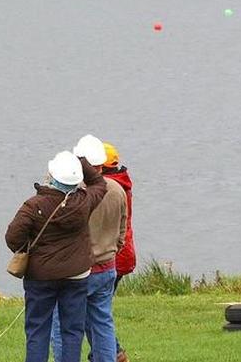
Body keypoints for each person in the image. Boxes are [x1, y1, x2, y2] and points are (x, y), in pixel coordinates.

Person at [5, 149, 107, 362]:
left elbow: (12, 237)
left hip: (41, 276)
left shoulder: (33, 205)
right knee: (72, 331)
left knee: (37, 330)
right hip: (77, 275)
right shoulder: (84, 201)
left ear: (51, 176)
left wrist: (30, 248)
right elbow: (99, 183)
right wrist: (80, 159)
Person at [50, 135, 128, 362]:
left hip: (80, 269)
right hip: (107, 267)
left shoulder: (76, 193)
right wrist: (111, 251)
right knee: (102, 323)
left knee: (61, 321)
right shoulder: (117, 190)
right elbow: (122, 231)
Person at [103, 143, 135, 362]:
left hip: (112, 256)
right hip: (124, 253)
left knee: (96, 311)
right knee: (100, 309)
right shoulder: (122, 181)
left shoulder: (109, 188)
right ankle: (104, 353)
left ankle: (113, 352)